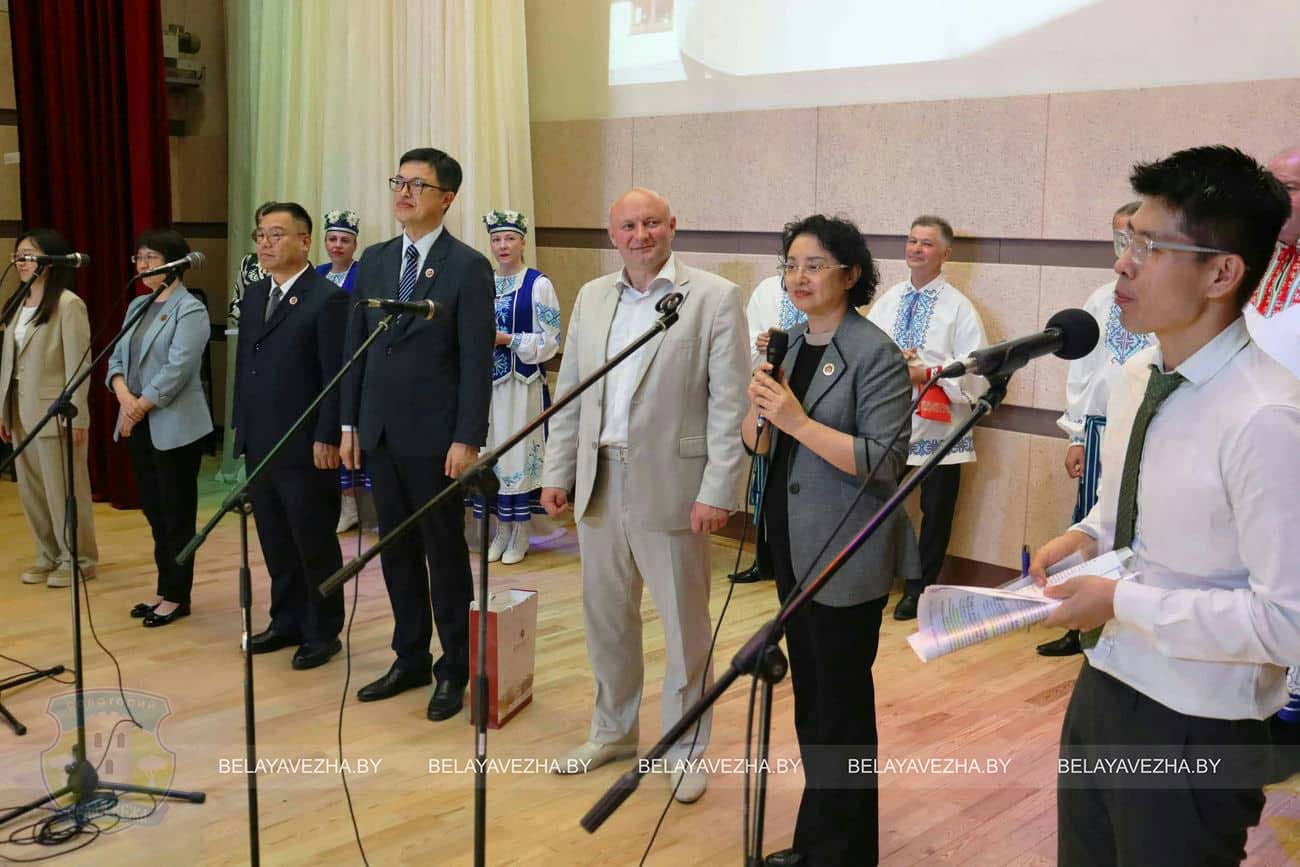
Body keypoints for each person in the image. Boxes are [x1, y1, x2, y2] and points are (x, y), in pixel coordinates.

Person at [1031, 145, 1298, 866]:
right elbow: (1125, 521)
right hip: (1105, 679)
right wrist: (1084, 538)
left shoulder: (1267, 416)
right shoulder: (1136, 375)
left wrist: (1121, 601)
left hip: (1197, 719)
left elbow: (1287, 622)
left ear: (1221, 273)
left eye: (1149, 247)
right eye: (1126, 241)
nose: (1123, 265)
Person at [540, 187, 749, 804]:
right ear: (613, 235)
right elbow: (570, 392)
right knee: (606, 619)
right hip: (599, 478)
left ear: (672, 226)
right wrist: (556, 471)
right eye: (628, 226)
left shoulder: (713, 297)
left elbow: (729, 404)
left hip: (674, 485)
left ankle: (684, 749)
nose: (640, 235)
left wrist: (718, 489)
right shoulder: (592, 297)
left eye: (651, 223)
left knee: (684, 628)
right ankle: (613, 731)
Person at [743, 215, 912, 865]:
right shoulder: (788, 346)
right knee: (813, 704)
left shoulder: (875, 353)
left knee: (840, 711)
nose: (799, 276)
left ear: (850, 273)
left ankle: (843, 852)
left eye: (813, 265)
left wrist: (795, 419)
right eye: (790, 264)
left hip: (846, 552)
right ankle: (821, 844)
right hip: (792, 545)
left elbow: (883, 461)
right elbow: (759, 443)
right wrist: (760, 408)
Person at [340, 148, 495, 722]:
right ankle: (409, 657)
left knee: (443, 552)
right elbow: (355, 348)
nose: (403, 193)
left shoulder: (467, 266)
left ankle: (454, 666)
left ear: (446, 198)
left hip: (437, 439)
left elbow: (475, 361)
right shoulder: (376, 260)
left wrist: (467, 438)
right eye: (398, 182)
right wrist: (349, 423)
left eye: (417, 185)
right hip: (380, 431)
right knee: (395, 550)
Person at [231, 202, 348, 671]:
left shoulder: (327, 298)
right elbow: (246, 366)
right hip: (261, 439)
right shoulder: (257, 294)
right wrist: (241, 427)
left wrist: (329, 436)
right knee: (275, 539)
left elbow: (336, 376)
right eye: (260, 235)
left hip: (305, 445)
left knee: (312, 540)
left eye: (276, 234)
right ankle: (286, 620)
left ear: (304, 240)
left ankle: (322, 630)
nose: (266, 243)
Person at [1037, 201, 1153, 657]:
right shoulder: (1101, 300)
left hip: (1144, 423)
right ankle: (1077, 623)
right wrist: (1076, 434)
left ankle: (1121, 616)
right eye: (1118, 237)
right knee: (1089, 519)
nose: (1123, 248)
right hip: (1099, 425)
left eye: (1133, 238)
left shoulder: (1162, 304)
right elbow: (1082, 372)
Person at [865, 215, 988, 620]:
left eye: (927, 243)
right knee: (873, 500)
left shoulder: (959, 308)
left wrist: (929, 372)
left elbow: (977, 370)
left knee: (936, 513)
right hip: (890, 421)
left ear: (945, 254)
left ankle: (919, 589)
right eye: (912, 241)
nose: (916, 249)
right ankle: (873, 577)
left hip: (941, 425)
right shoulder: (889, 299)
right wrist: (893, 360)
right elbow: (866, 349)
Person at [107, 228, 213, 626]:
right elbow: (116, 358)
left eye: (150, 258)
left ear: (174, 263)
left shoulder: (191, 309)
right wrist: (124, 397)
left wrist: (139, 406)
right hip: (136, 421)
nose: (142, 265)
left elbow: (178, 369)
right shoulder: (138, 305)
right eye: (139, 258)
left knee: (176, 515)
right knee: (154, 512)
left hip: (175, 426)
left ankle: (177, 597)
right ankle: (163, 589)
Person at [0, 228, 98, 588]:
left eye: (29, 255)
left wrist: (78, 416)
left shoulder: (68, 305)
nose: (21, 261)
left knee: (64, 490)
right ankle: (49, 553)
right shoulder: (18, 301)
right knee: (32, 489)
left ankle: (79, 558)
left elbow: (79, 365)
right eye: (18, 255)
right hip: (18, 410)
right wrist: (4, 411)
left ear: (51, 260)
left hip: (55, 412)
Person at [475, 209, 560, 564]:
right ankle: (500, 529)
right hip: (488, 387)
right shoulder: (483, 282)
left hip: (522, 385)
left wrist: (508, 339)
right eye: (496, 239)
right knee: (491, 452)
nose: (503, 245)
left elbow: (550, 340)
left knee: (518, 453)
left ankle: (521, 530)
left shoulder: (538, 284)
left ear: (523, 242)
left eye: (510, 238)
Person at [730, 272, 808, 585]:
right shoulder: (766, 289)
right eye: (791, 262)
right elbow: (744, 342)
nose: (799, 274)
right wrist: (760, 343)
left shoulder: (825, 291)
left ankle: (795, 561)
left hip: (805, 404)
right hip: (768, 394)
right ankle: (763, 557)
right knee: (764, 481)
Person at [314, 208, 369, 534]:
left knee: (346, 429)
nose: (337, 245)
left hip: (349, 362)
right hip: (320, 364)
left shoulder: (362, 276)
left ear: (354, 245)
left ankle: (350, 505)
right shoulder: (317, 273)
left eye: (344, 240)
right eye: (332, 239)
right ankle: (331, 501)